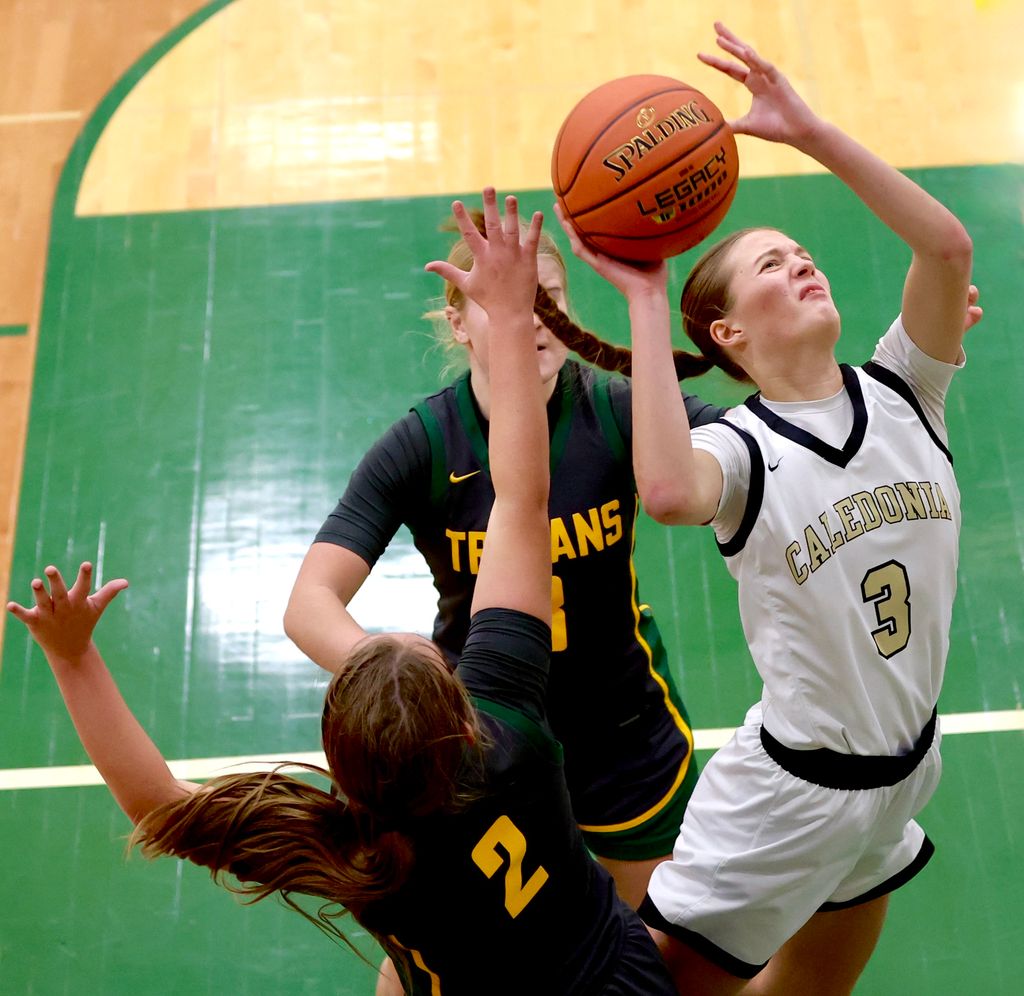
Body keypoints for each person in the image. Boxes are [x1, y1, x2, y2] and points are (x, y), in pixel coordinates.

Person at [7, 189, 678, 996]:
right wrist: (511, 319)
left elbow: (158, 806)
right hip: (612, 980)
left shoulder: (353, 849)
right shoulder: (514, 731)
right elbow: (522, 499)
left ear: (345, 767)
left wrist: (72, 657)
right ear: (460, 712)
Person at [551, 21, 979, 996]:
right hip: (789, 797)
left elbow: (945, 244)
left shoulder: (908, 387)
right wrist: (648, 300)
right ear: (731, 331)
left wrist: (812, 133)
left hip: (903, 769)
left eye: (802, 252)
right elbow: (664, 492)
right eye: (771, 267)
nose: (801, 264)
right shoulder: (737, 452)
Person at [284, 201, 727, 910]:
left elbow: (757, 448)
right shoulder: (425, 443)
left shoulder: (617, 409)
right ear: (460, 323)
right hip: (476, 736)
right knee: (444, 954)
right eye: (508, 302)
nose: (534, 318)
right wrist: (405, 679)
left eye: (547, 299)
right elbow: (308, 607)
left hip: (621, 735)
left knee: (645, 943)